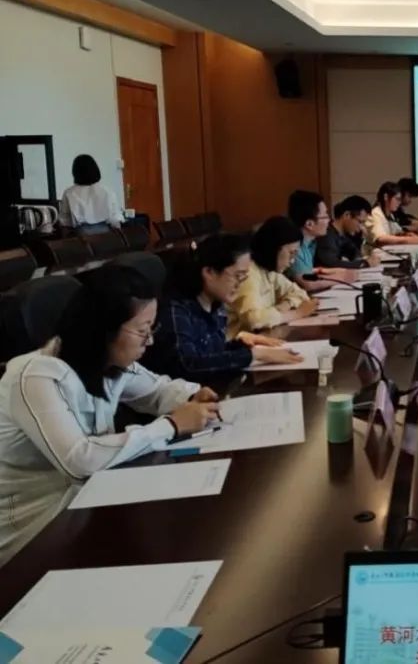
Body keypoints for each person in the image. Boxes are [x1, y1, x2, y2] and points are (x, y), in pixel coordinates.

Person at [0, 265, 219, 564]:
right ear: (103, 330)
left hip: (85, 505)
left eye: (151, 329)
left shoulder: (104, 362)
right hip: (32, 531)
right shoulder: (34, 376)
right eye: (142, 331)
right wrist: (170, 425)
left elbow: (156, 391)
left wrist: (193, 396)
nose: (150, 341)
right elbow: (79, 461)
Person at [145, 233, 302, 384]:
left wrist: (244, 346)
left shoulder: (216, 305)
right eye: (238, 275)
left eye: (244, 277)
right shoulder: (176, 309)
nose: (240, 284)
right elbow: (188, 364)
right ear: (209, 272)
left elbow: (212, 352)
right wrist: (254, 354)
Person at [226, 216, 316, 338]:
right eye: (291, 253)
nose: (293, 260)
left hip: (262, 338)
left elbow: (300, 294)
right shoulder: (248, 273)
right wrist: (297, 313)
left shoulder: (271, 271)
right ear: (274, 248)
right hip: (238, 343)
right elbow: (254, 320)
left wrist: (284, 306)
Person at [58, 154, 124, 231]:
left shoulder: (69, 193)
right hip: (106, 234)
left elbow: (64, 221)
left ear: (75, 172)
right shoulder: (107, 191)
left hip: (80, 234)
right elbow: (115, 219)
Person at [286, 190, 334, 293]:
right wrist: (344, 279)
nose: (329, 220)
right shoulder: (294, 247)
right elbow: (307, 284)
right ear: (309, 224)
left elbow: (311, 273)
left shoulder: (311, 243)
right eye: (325, 216)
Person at [316, 195, 374, 269]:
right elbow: (331, 264)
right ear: (347, 215)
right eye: (360, 222)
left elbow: (354, 251)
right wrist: (365, 263)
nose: (361, 227)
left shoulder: (343, 234)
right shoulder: (326, 235)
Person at [366, 182, 418, 247]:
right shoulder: (375, 213)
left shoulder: (390, 215)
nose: (399, 203)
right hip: (373, 252)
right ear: (386, 197)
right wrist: (408, 240)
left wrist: (407, 234)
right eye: (397, 199)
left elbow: (398, 232)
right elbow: (381, 239)